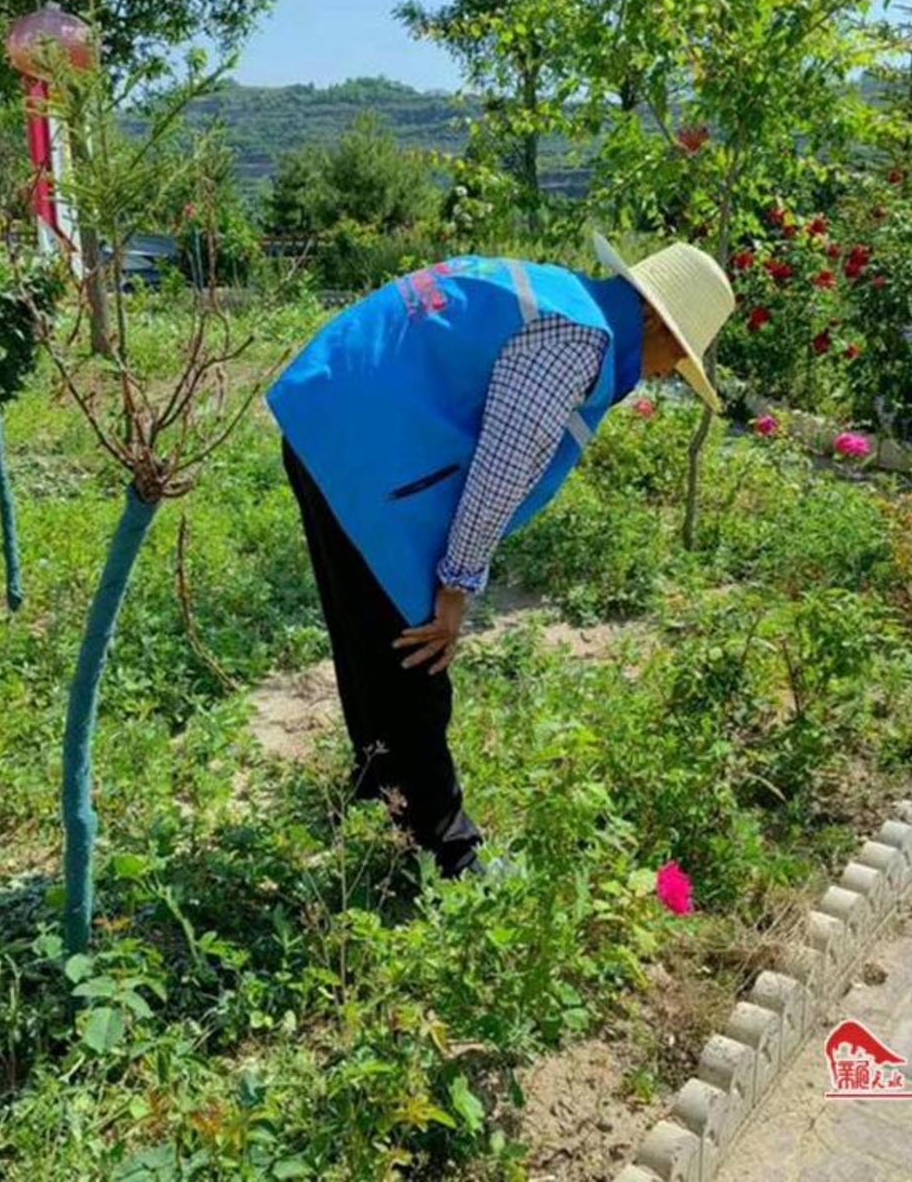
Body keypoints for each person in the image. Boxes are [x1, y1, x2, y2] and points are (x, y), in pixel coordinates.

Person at [267, 235, 735, 877]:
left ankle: (380, 788)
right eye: (676, 355)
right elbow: (502, 467)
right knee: (418, 650)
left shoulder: (562, 294)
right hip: (363, 451)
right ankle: (447, 853)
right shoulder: (579, 338)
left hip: (327, 413)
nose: (664, 373)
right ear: (654, 318)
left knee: (366, 630)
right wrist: (455, 586)